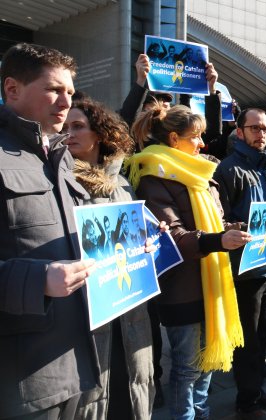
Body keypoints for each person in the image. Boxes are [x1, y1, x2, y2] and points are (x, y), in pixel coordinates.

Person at [128, 103, 250, 420]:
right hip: (181, 290)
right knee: (186, 368)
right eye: (195, 137)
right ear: (173, 138)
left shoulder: (200, 174)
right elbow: (173, 237)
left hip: (212, 285)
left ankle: (201, 413)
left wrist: (234, 231)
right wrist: (218, 240)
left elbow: (215, 223)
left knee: (208, 362)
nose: (201, 144)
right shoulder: (152, 175)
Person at [0, 42, 98, 419]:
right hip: (22, 381)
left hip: (76, 364)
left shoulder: (60, 157)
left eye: (70, 92)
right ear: (12, 89)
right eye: (54, 89)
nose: (65, 102)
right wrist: (38, 279)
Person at [64, 97, 155, 419]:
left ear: (100, 134)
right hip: (86, 314)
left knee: (130, 391)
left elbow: (137, 237)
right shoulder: (59, 182)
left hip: (128, 309)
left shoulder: (122, 183)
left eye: (77, 126)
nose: (68, 133)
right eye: (64, 127)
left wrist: (147, 248)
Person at [213, 108, 266, 418]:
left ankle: (256, 390)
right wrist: (248, 228)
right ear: (239, 132)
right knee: (248, 338)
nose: (261, 133)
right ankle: (247, 400)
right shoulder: (229, 169)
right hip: (245, 267)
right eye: (254, 128)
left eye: (265, 128)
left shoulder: (265, 167)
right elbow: (220, 220)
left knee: (263, 331)